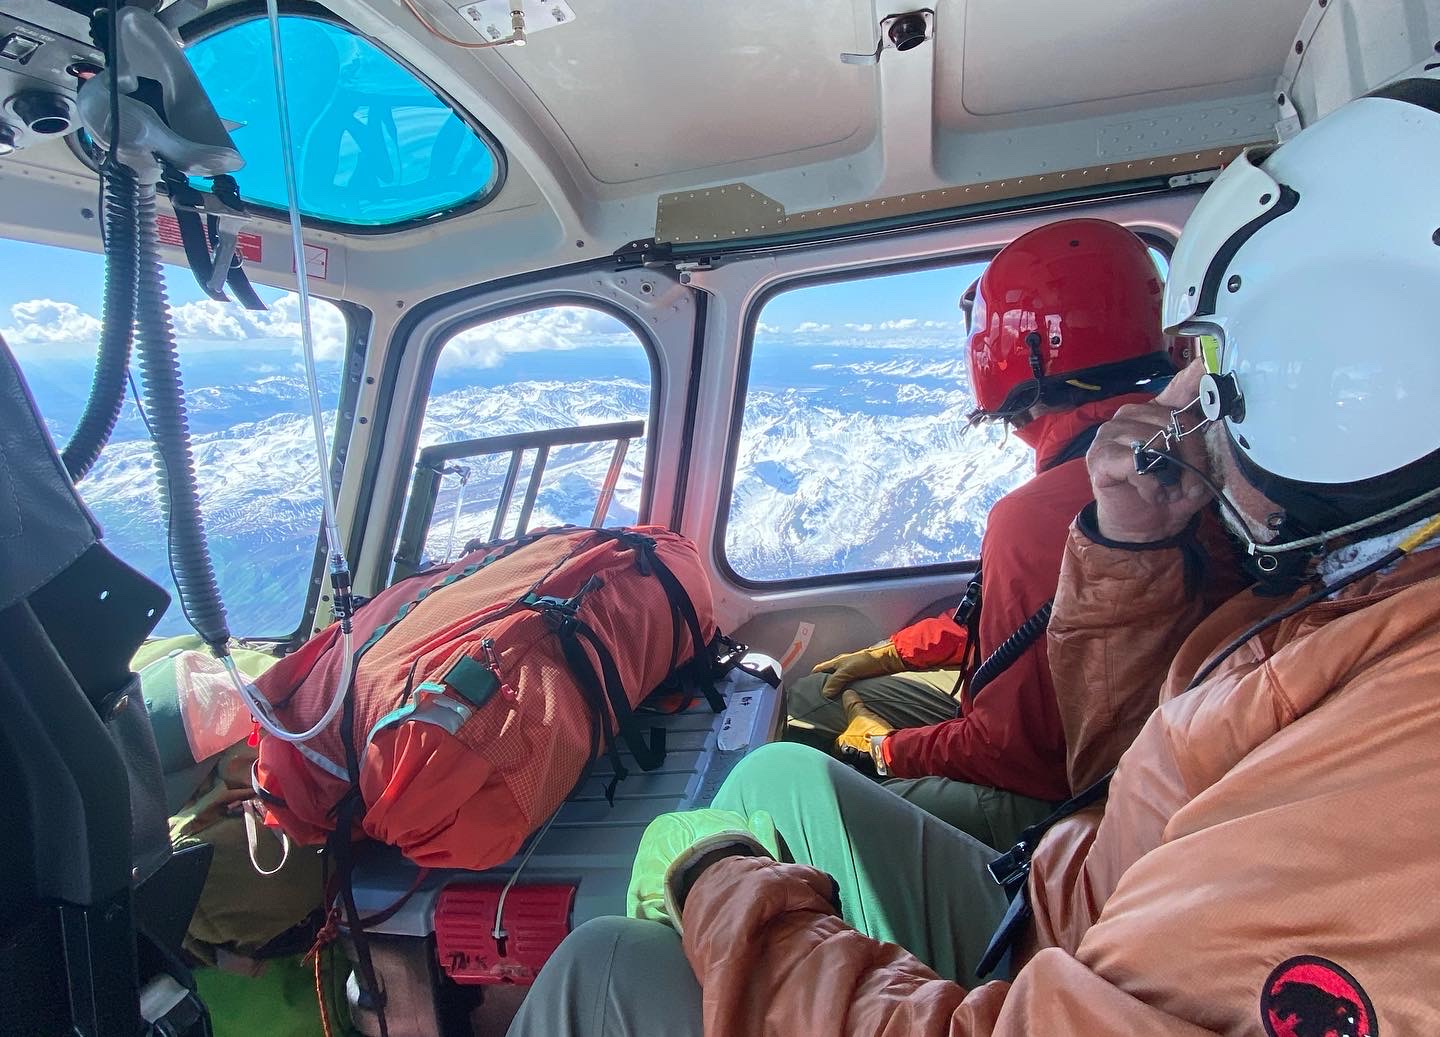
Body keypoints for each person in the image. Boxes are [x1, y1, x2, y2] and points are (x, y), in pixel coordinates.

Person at [508, 73, 1440, 1036]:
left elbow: (1036, 753)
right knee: (771, 778)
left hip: (1061, 924)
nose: (1192, 406)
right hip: (1077, 889)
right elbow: (1125, 760)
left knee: (602, 963)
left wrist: (749, 865)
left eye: (1218, 369)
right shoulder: (1339, 577)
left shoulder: (1397, 734)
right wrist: (1129, 546)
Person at [786, 217, 1178, 849]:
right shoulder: (1166, 443)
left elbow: (1014, 754)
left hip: (1067, 804)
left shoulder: (1046, 510)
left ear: (1017, 353)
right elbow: (1031, 626)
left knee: (812, 783)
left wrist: (886, 752)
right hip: (1111, 762)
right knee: (818, 691)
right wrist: (895, 651)